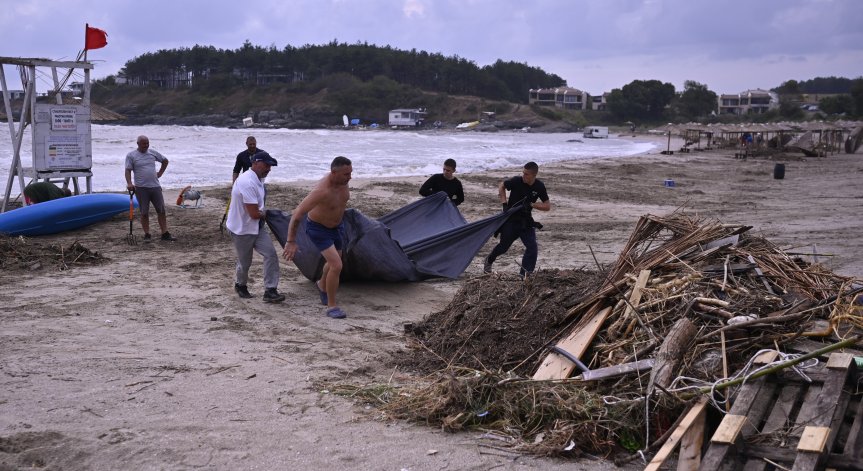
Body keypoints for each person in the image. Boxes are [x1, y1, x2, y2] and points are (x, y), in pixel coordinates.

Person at [282, 156, 353, 319]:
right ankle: (332, 306)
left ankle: (322, 285)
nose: (350, 177)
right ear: (334, 173)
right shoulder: (321, 191)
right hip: (318, 229)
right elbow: (297, 214)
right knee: (337, 265)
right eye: (346, 174)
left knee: (334, 262)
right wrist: (291, 241)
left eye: (350, 173)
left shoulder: (343, 182)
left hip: (337, 227)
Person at [225, 152, 286, 303]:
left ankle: (270, 290)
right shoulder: (247, 182)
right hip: (241, 229)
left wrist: (265, 214)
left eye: (270, 166)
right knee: (245, 262)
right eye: (266, 165)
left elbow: (257, 210)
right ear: (256, 163)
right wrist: (270, 214)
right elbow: (253, 213)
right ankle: (240, 285)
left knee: (271, 254)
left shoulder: (259, 178)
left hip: (257, 227)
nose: (269, 169)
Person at [484, 161, 551, 278]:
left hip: (526, 221)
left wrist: (532, 204)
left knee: (532, 248)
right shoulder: (516, 181)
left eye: (526, 174)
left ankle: (524, 275)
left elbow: (547, 206)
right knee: (503, 247)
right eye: (523, 173)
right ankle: (489, 259)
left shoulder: (539, 186)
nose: (523, 176)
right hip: (511, 220)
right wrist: (504, 203)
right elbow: (502, 186)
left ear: (534, 175)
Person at [124, 135, 176, 242]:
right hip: (141, 188)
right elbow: (128, 170)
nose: (146, 145)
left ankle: (165, 233)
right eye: (144, 143)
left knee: (161, 210)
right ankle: (147, 234)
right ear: (138, 144)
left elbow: (165, 161)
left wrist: (160, 173)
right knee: (144, 212)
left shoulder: (152, 153)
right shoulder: (131, 155)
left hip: (155, 187)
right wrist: (129, 183)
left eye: (147, 143)